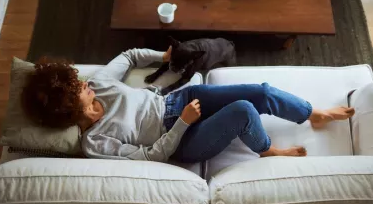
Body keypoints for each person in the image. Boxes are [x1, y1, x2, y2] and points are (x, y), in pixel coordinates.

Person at [22, 48, 355, 163]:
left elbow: (128, 56)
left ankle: (312, 113)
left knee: (260, 91)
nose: (84, 82)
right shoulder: (95, 143)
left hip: (177, 101)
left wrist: (162, 57)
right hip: (181, 139)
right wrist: (182, 122)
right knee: (243, 111)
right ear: (68, 107)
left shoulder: (100, 85)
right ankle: (265, 150)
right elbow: (150, 156)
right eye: (76, 87)